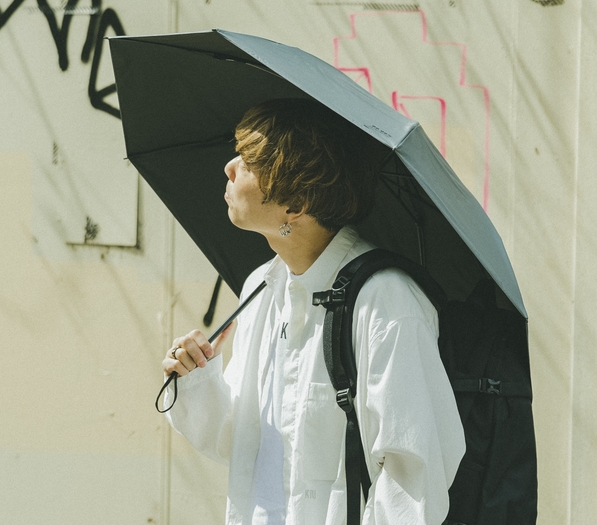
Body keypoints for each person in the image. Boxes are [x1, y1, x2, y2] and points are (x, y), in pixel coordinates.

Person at [161, 98, 465, 525]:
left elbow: (414, 478)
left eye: (248, 163)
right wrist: (196, 378)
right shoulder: (261, 288)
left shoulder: (385, 302)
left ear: (295, 205)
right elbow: (240, 440)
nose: (229, 167)